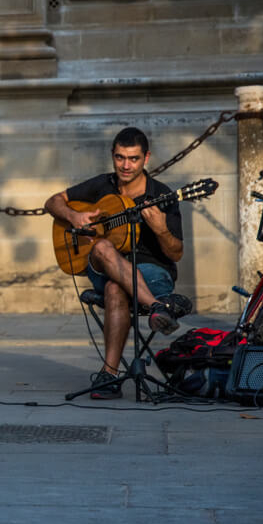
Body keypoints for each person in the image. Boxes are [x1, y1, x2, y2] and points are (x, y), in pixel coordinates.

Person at [44, 127, 184, 399]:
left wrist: (161, 229)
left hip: (153, 273)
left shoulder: (161, 195)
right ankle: (156, 307)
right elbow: (52, 202)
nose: (126, 165)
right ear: (113, 155)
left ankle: (109, 375)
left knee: (115, 289)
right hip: (102, 266)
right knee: (104, 246)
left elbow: (176, 253)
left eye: (133, 159)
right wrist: (73, 217)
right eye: (120, 158)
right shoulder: (103, 185)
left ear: (146, 158)